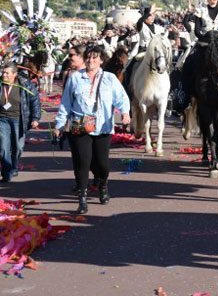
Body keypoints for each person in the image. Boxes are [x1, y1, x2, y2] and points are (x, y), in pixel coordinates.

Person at [54, 45, 130, 214]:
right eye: (88, 57)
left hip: (103, 126)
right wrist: (59, 125)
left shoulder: (110, 78)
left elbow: (121, 98)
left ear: (101, 60)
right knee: (83, 162)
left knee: (102, 165)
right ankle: (82, 198)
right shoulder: (75, 78)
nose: (91, 60)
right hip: (81, 126)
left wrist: (125, 113)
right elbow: (66, 104)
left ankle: (103, 184)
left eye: (95, 57)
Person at [0, 63, 41, 183]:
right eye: (3, 72)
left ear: (14, 74)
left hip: (19, 120)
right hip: (2, 119)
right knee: (3, 146)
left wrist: (35, 118)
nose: (4, 75)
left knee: (18, 147)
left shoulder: (25, 84)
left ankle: (14, 166)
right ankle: (6, 172)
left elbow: (35, 101)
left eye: (7, 73)